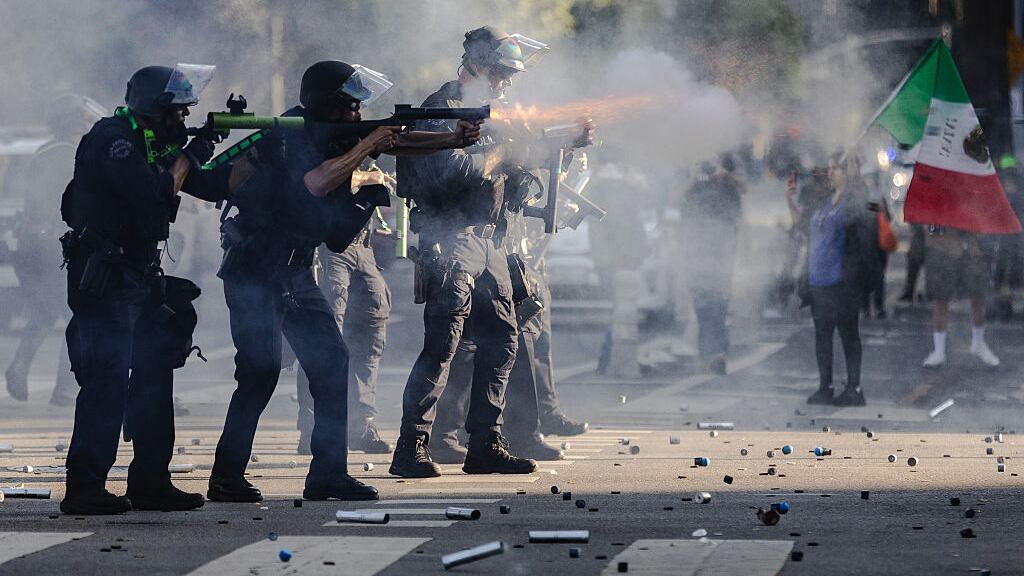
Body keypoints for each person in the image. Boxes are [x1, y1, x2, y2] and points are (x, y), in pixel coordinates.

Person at [208, 60, 480, 502]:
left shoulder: (335, 130)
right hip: (255, 269)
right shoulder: (291, 131)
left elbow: (402, 142)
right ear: (327, 105)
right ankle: (225, 478)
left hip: (294, 270)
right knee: (259, 373)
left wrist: (451, 139)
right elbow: (315, 182)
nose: (357, 116)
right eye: (351, 107)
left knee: (333, 364)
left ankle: (328, 474)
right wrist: (365, 146)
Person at [59, 64, 230, 514]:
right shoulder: (114, 139)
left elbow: (211, 186)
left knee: (154, 379)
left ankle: (151, 481)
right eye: (174, 113)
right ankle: (84, 486)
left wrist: (255, 152)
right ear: (152, 109)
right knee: (107, 382)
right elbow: (154, 191)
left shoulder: (158, 144)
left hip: (141, 278)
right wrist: (190, 154)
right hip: (104, 279)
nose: (181, 121)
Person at [389, 26, 556, 478]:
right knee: (442, 345)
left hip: (490, 239)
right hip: (451, 237)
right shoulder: (440, 108)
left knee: (503, 339)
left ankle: (485, 441)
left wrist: (529, 158)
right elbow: (443, 171)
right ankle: (412, 445)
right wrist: (502, 156)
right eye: (500, 72)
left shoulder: (497, 112)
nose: (506, 81)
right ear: (477, 65)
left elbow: (519, 181)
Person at [5, 93, 103, 405]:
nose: (87, 123)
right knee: (80, 314)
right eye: (82, 118)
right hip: (54, 247)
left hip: (35, 244)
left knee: (45, 312)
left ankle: (19, 367)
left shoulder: (44, 152)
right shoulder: (68, 155)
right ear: (72, 122)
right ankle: (64, 388)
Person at [294, 167, 394, 456]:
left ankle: (361, 426)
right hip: (328, 248)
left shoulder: (364, 143)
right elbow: (317, 177)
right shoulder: (324, 133)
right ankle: (313, 428)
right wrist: (367, 177)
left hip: (362, 247)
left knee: (370, 338)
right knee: (323, 339)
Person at [790, 153, 871, 406]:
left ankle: (854, 389)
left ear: (848, 172)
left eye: (837, 168)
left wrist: (855, 170)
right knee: (822, 336)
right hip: (818, 280)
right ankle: (825, 386)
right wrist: (789, 200)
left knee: (848, 334)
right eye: (831, 168)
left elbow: (862, 207)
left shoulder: (852, 201)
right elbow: (802, 228)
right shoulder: (824, 202)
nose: (831, 172)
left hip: (843, 280)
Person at [680, 154, 744, 374]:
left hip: (722, 249)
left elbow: (743, 188)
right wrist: (693, 176)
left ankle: (717, 353)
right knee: (701, 305)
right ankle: (708, 353)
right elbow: (676, 198)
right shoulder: (693, 178)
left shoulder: (728, 173)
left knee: (718, 303)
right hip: (695, 249)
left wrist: (724, 175)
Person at [920, 228, 999, 367]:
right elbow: (930, 230)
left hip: (972, 254)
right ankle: (939, 351)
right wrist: (946, 241)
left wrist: (976, 238)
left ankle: (978, 343)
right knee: (941, 300)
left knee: (978, 297)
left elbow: (982, 228)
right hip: (944, 254)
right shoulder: (937, 207)